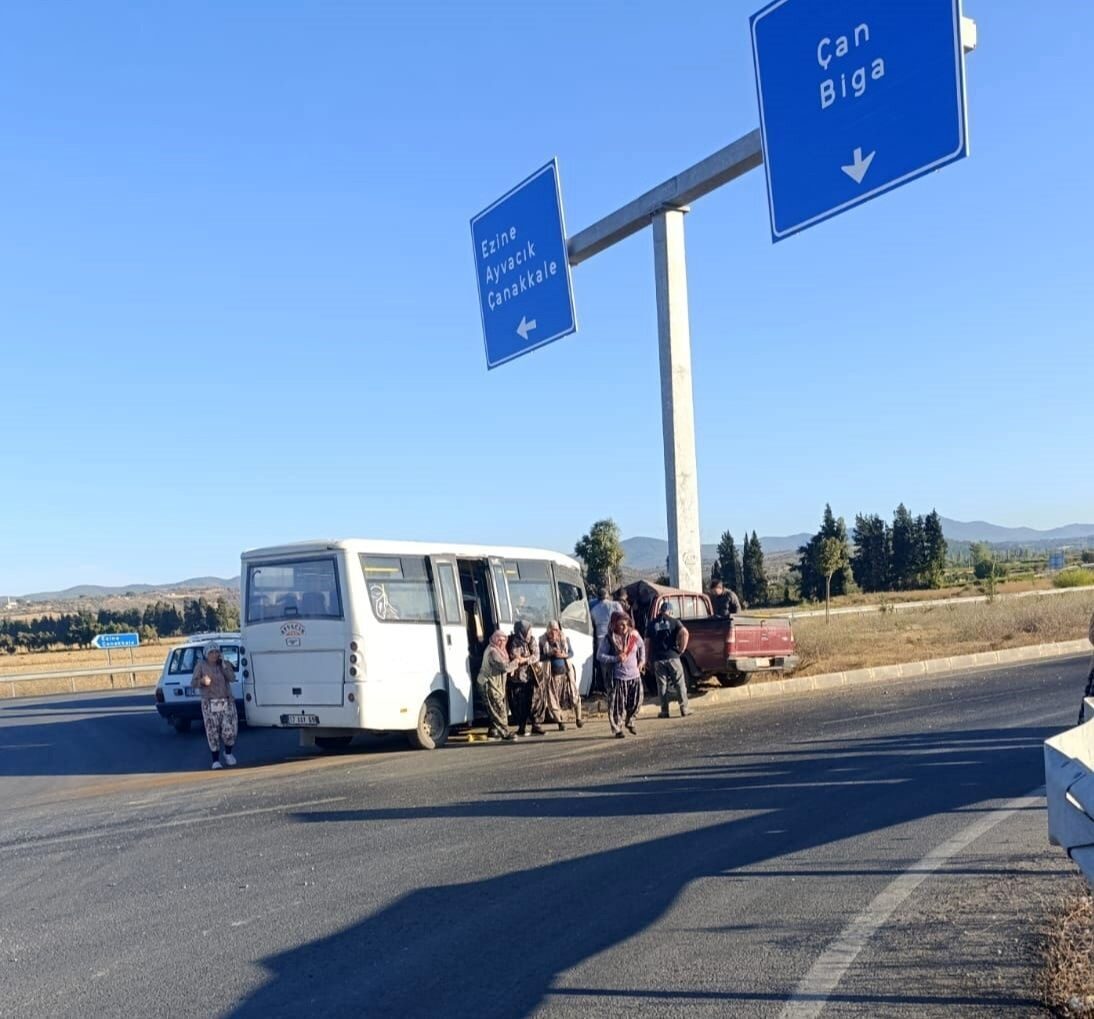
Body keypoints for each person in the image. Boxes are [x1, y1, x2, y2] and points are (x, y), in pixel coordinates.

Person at [597, 610, 645, 738]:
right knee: (617, 705)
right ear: (614, 625)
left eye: (626, 624)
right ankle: (618, 729)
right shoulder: (609, 639)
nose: (624, 628)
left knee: (636, 702)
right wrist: (615, 659)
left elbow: (641, 646)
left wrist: (641, 661)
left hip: (634, 675)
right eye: (621, 625)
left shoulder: (634, 635)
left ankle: (630, 721)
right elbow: (600, 656)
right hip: (618, 677)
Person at [192, 641, 239, 769]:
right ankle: (215, 760)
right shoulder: (200, 666)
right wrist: (202, 681)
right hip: (210, 703)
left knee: (230, 730)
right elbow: (193, 683)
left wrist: (224, 664)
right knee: (212, 731)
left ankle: (228, 753)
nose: (214, 655)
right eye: (211, 652)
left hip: (226, 702)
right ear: (206, 654)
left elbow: (232, 678)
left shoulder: (225, 664)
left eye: (216, 652)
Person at [646, 602, 692, 718]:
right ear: (670, 612)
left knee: (662, 685)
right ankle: (684, 708)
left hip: (658, 659)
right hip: (673, 657)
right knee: (679, 683)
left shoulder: (651, 624)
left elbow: (646, 643)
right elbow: (685, 633)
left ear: (660, 611)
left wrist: (646, 659)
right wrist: (681, 649)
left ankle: (664, 711)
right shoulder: (674, 621)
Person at [539, 620, 584, 731]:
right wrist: (550, 654)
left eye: (556, 630)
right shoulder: (543, 641)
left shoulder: (565, 639)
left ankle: (578, 718)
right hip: (551, 675)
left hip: (566, 672)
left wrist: (563, 655)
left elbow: (571, 653)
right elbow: (539, 657)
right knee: (553, 699)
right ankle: (560, 722)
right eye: (551, 631)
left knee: (573, 694)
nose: (553, 633)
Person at [477, 631, 519, 741]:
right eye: (499, 640)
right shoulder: (492, 652)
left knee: (494, 708)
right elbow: (504, 667)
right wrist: (516, 662)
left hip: (495, 684)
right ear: (494, 640)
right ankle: (505, 732)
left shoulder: (500, 651)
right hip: (488, 684)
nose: (501, 642)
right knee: (499, 709)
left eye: (503, 640)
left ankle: (493, 731)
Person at [507, 620, 544, 737]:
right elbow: (514, 656)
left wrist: (525, 659)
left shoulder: (532, 640)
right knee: (520, 703)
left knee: (536, 700)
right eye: (528, 631)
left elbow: (536, 656)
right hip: (518, 678)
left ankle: (536, 725)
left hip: (532, 677)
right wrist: (525, 658)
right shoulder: (514, 641)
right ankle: (521, 727)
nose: (530, 633)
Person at [589, 586, 622, 698]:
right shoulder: (616, 605)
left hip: (601, 639)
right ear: (608, 596)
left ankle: (609, 691)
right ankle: (619, 689)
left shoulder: (593, 610)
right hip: (615, 638)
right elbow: (624, 618)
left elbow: (592, 625)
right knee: (618, 662)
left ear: (598, 598)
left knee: (604, 665)